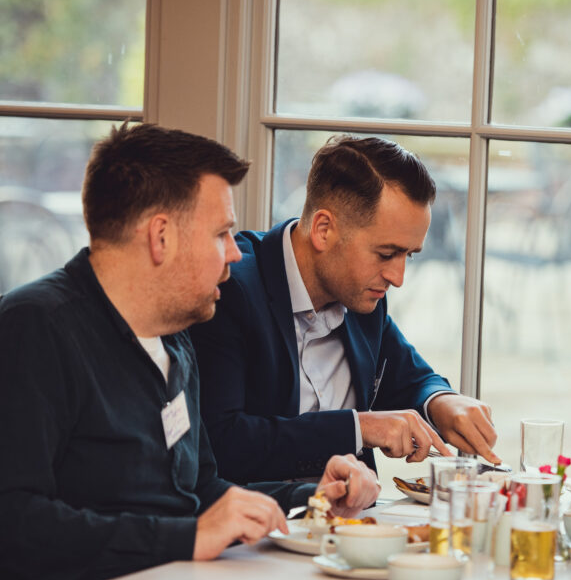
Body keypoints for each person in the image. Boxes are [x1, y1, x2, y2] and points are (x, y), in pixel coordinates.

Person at [0, 123, 379, 580]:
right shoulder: (32, 329)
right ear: (161, 237)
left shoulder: (174, 337)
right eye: (221, 234)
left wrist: (308, 496)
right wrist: (185, 538)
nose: (235, 253)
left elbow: (200, 490)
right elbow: (3, 523)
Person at [188, 135, 500, 485]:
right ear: (324, 230)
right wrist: (357, 428)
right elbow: (222, 441)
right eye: (386, 254)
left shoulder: (363, 294)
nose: (397, 278)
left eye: (408, 255)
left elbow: (410, 377)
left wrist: (441, 401)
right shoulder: (229, 289)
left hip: (356, 514)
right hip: (260, 515)